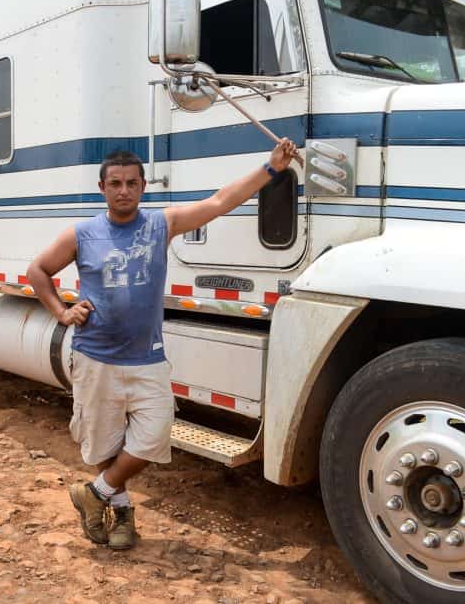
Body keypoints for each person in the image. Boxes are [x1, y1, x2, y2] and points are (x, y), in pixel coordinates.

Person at [26, 138, 300, 550]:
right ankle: (119, 515)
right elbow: (38, 270)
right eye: (115, 183)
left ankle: (94, 493)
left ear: (143, 186)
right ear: (102, 188)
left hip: (147, 358)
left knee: (154, 436)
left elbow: (221, 201)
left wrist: (272, 167)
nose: (123, 191)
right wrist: (62, 313)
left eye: (132, 183)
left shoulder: (161, 224)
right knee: (105, 442)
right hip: (94, 355)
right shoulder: (82, 234)